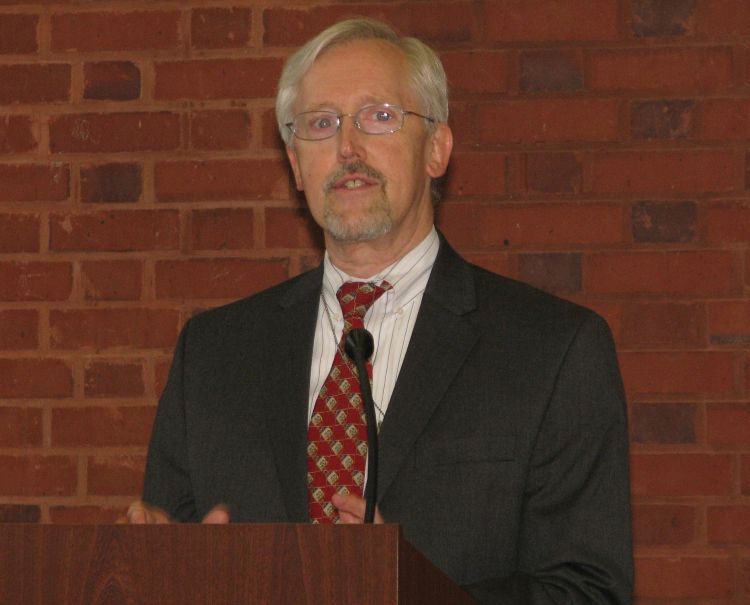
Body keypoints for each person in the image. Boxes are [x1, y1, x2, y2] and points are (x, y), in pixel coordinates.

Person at [130, 17, 633, 603]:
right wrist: (157, 574)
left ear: (437, 149)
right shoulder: (214, 354)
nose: (347, 147)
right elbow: (165, 558)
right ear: (295, 163)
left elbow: (590, 592)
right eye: (321, 124)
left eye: (379, 116)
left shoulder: (551, 350)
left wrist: (408, 591)